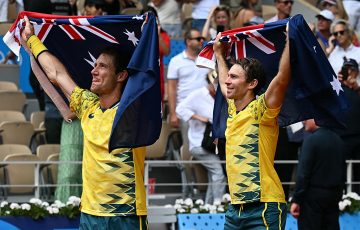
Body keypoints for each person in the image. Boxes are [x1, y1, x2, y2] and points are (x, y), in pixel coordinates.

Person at [21, 16, 147, 229]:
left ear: (121, 75)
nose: (93, 71)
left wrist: (147, 37)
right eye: (95, 65)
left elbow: (147, 78)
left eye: (103, 67)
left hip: (125, 214)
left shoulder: (132, 111)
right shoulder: (88, 105)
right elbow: (56, 74)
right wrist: (32, 39)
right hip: (89, 213)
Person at [213, 28, 290, 228]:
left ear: (252, 84)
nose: (228, 81)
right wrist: (219, 55)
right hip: (236, 207)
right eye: (229, 76)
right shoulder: (232, 107)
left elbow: (282, 78)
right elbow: (222, 83)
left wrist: (290, 42)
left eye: (235, 77)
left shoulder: (262, 110)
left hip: (265, 205)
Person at [176, 75, 226, 204]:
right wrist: (199, 117)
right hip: (198, 144)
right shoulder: (198, 94)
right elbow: (180, 109)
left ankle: (209, 207)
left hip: (212, 144)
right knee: (218, 173)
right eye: (215, 82)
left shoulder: (222, 97)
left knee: (213, 176)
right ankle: (218, 205)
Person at [290, 119, 345, 230]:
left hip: (311, 199)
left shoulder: (311, 140)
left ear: (316, 118)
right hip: (333, 197)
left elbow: (303, 173)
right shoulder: (338, 140)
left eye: (307, 118)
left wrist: (296, 200)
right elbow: (342, 171)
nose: (303, 121)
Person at [336, 58, 360, 193]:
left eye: (352, 70)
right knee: (341, 172)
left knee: (357, 173)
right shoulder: (337, 89)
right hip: (341, 138)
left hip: (357, 139)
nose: (349, 72)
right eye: (346, 69)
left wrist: (357, 88)